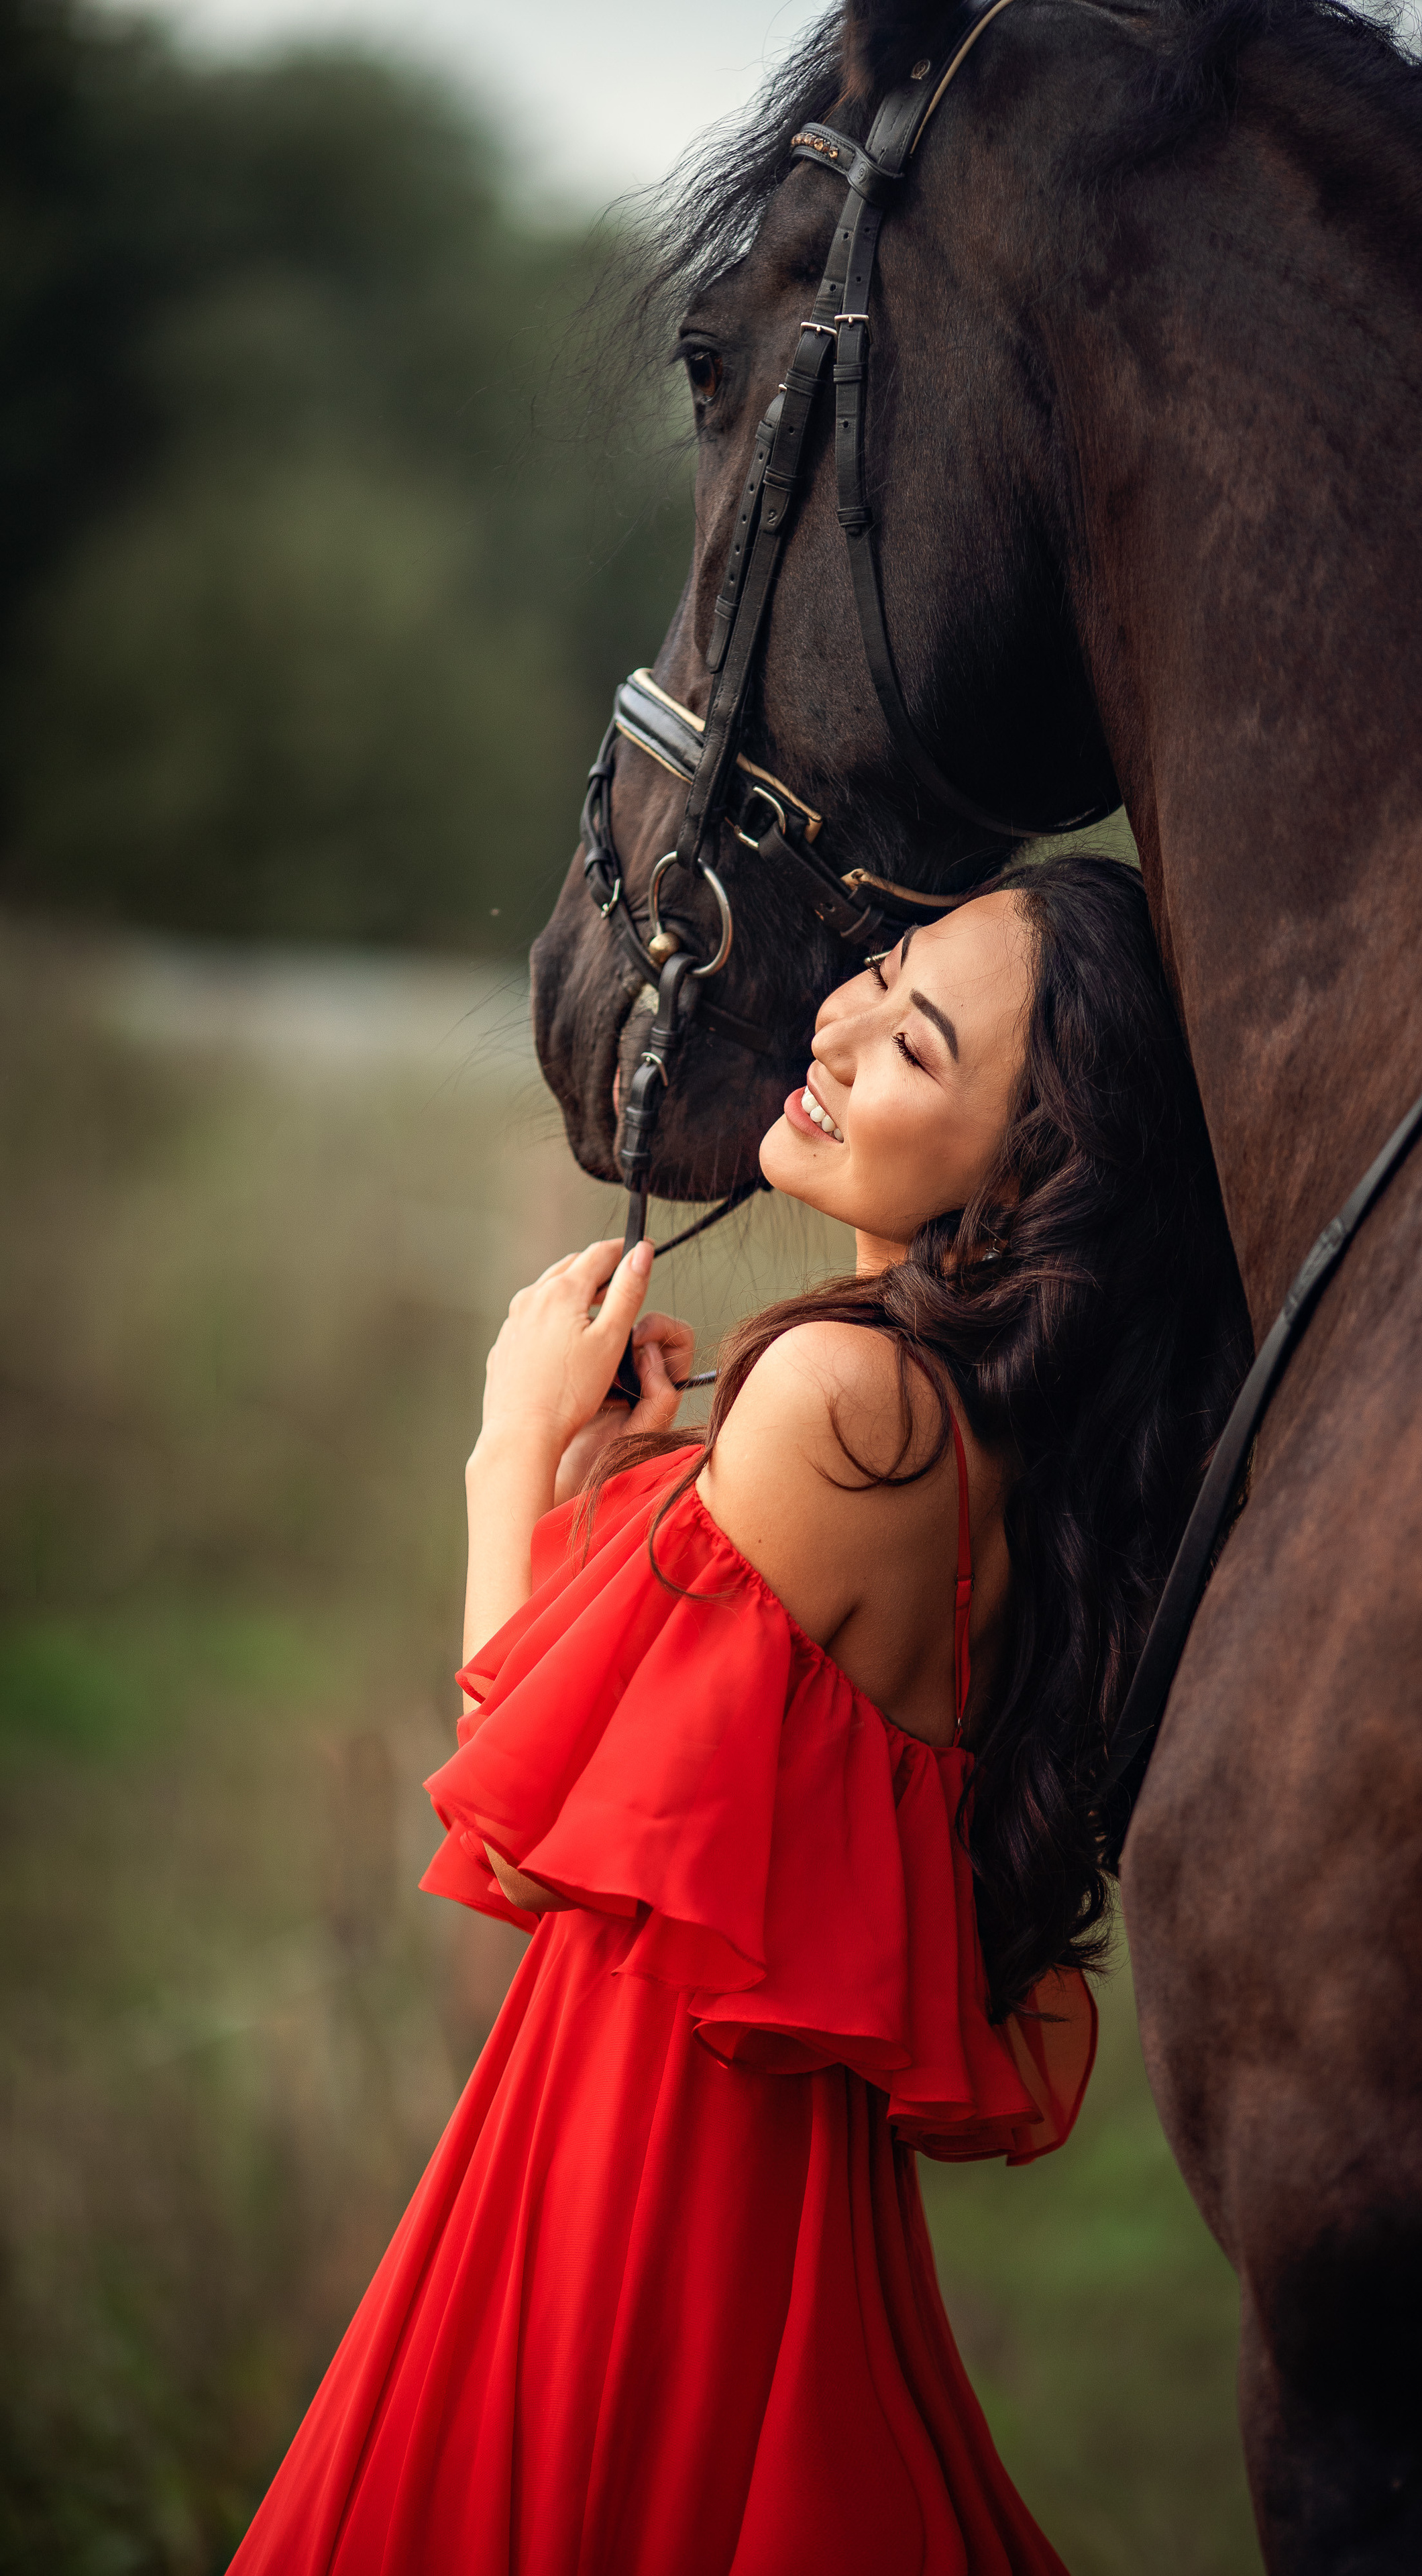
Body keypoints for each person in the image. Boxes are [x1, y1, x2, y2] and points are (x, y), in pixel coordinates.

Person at [231, 853, 1246, 2576]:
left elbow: (537, 1843)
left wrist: (502, 1452)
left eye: (917, 1048)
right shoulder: (970, 1437)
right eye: (882, 970)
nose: (838, 1028)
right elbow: (697, 1795)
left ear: (1028, 1177)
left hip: (631, 2186)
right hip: (747, 2201)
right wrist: (608, 1476)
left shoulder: (843, 1402)